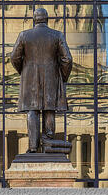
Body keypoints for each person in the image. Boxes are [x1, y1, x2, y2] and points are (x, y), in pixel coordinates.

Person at [9, 8, 73, 153]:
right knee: (49, 109)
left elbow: (14, 57)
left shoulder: (24, 35)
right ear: (47, 19)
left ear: (34, 19)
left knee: (32, 110)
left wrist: (24, 71)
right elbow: (67, 59)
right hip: (51, 78)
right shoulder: (57, 35)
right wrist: (63, 76)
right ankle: (48, 142)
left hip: (29, 78)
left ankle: (33, 147)